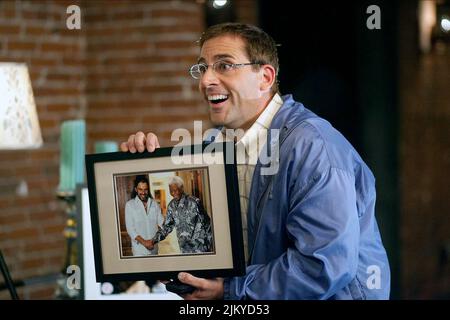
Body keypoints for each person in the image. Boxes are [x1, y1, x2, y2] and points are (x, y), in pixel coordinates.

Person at [120, 23, 391, 299]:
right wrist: (140, 162)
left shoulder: (313, 147)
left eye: (224, 66)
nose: (205, 81)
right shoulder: (213, 147)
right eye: (203, 68)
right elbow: (211, 253)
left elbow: (322, 265)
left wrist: (230, 290)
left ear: (265, 77)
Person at [148, 176, 212, 254]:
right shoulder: (171, 206)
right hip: (184, 249)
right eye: (171, 191)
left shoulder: (195, 202)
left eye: (175, 190)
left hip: (200, 248)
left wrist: (210, 246)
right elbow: (167, 227)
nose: (173, 193)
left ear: (181, 188)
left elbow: (207, 224)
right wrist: (153, 240)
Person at [125, 175, 164, 256]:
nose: (143, 192)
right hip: (139, 251)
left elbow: (162, 223)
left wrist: (154, 241)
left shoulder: (155, 204)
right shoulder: (130, 205)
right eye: (140, 189)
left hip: (154, 249)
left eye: (145, 189)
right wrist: (145, 242)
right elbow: (130, 229)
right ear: (136, 189)